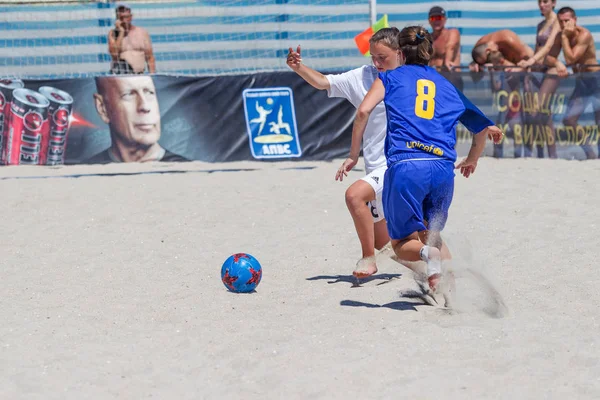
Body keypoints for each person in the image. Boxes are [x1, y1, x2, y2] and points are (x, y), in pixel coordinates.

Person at [350, 26, 503, 293]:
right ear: (429, 53)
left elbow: (363, 112)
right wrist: (472, 159)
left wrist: (353, 155)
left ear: (400, 53)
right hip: (443, 170)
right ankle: (451, 290)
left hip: (407, 167)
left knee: (402, 244)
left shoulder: (389, 77)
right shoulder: (446, 85)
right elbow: (480, 129)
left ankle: (428, 257)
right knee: (431, 235)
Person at [286, 28, 403, 278]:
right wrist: (298, 67)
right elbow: (323, 82)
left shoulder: (412, 78)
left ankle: (368, 260)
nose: (376, 62)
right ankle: (435, 271)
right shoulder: (362, 76)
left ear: (399, 53)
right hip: (374, 167)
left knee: (354, 197)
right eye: (373, 56)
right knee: (390, 245)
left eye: (382, 57)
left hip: (399, 165)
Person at [88, 75, 187, 164]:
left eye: (149, 93)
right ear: (103, 108)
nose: (145, 106)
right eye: (129, 95)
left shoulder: (189, 174)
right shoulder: (85, 176)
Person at [546, 6, 600, 159]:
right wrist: (558, 63)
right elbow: (549, 58)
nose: (564, 25)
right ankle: (590, 153)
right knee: (569, 119)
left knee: (599, 121)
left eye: (567, 21)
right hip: (582, 81)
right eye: (561, 21)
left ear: (575, 20)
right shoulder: (560, 35)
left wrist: (564, 38)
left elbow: (571, 59)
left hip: (596, 79)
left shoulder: (584, 35)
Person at [108, 3, 156, 75]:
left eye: (126, 17)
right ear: (117, 19)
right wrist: (121, 32)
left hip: (139, 75)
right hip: (120, 75)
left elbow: (150, 57)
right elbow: (114, 54)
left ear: (131, 17)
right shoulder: (113, 33)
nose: (124, 20)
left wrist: (152, 75)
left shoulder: (142, 32)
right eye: (121, 18)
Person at [470, 29, 535, 71]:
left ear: (488, 51)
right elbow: (476, 62)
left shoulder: (509, 40)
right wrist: (476, 65)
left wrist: (516, 68)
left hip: (525, 58)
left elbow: (527, 62)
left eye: (487, 61)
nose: (488, 63)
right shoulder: (479, 46)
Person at [428, 6, 460, 72]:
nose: (436, 21)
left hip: (451, 76)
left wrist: (447, 61)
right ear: (429, 20)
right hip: (433, 78)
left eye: (439, 18)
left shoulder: (452, 33)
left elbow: (450, 47)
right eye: (433, 18)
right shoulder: (428, 38)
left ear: (445, 19)